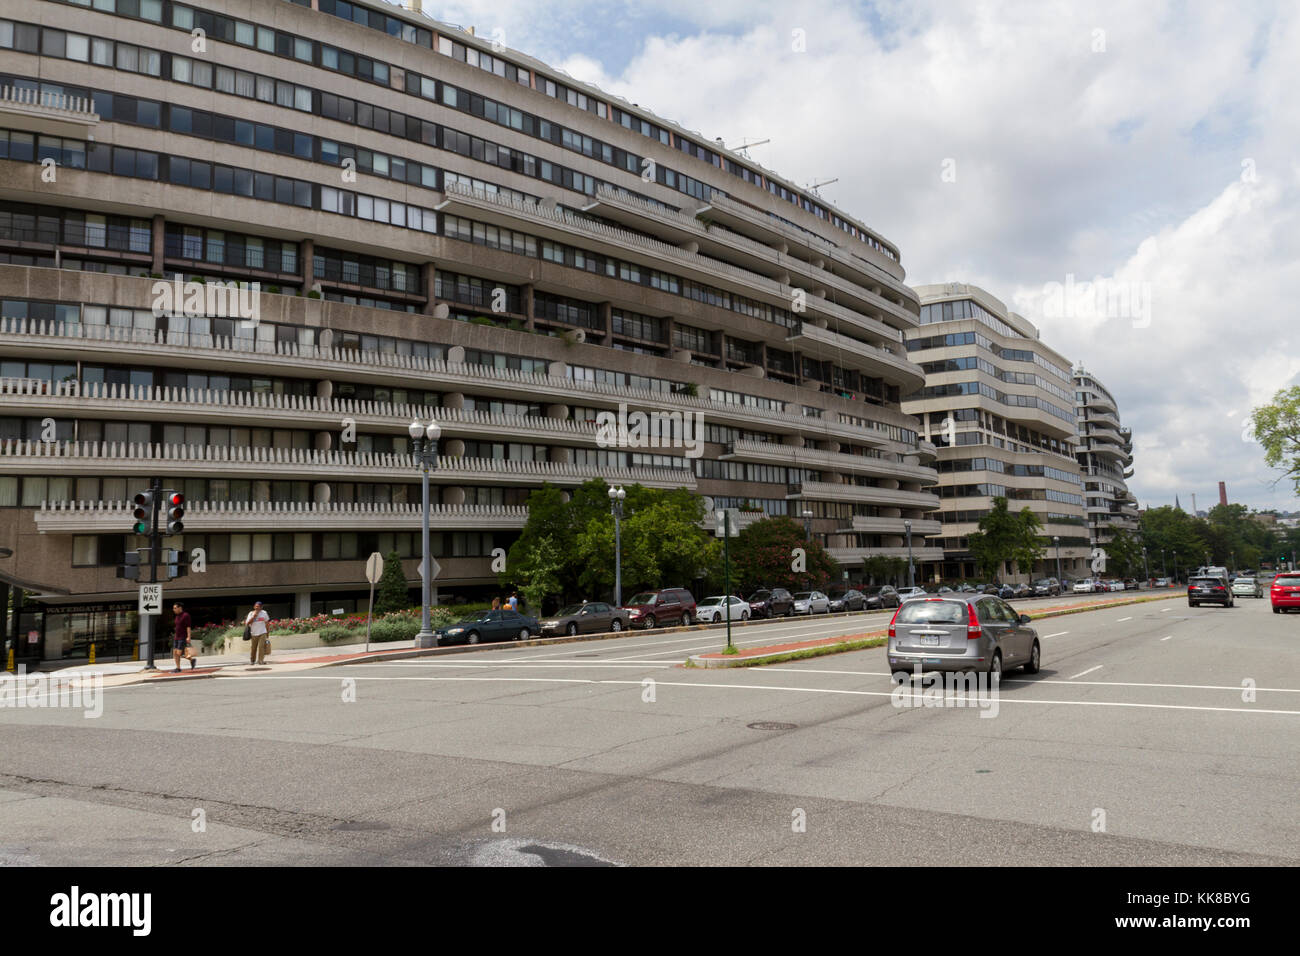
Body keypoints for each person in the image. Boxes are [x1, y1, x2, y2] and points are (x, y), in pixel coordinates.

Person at [245, 601, 270, 666]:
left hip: (262, 632)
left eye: (258, 606)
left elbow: (267, 623)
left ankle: (260, 660)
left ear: (261, 607)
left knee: (261, 647)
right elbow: (247, 623)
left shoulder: (264, 613)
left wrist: (267, 632)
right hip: (254, 633)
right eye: (256, 606)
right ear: (254, 607)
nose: (257, 608)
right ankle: (252, 660)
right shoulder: (251, 613)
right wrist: (254, 616)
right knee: (253, 648)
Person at [171, 602, 193, 672]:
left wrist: (188, 637)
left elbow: (188, 627)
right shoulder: (177, 616)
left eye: (175, 608)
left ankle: (192, 660)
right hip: (176, 637)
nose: (173, 609)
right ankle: (178, 668)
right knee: (175, 653)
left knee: (179, 653)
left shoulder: (186, 615)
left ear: (180, 608)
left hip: (182, 637)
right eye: (173, 608)